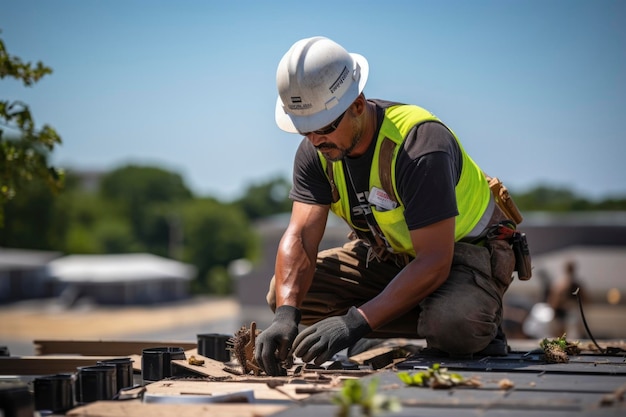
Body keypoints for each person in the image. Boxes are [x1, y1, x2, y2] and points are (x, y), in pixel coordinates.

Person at [254, 36, 523, 376]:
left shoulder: (418, 144)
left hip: (462, 257)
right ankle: (392, 323)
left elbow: (434, 261)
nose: (316, 140)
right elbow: (301, 239)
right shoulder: (317, 151)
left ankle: (477, 318)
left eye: (325, 127)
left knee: (454, 327)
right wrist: (285, 315)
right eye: (304, 131)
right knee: (286, 293)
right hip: (394, 258)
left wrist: (356, 322)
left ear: (357, 104)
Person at [548, 260, 588, 338]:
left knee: (573, 333)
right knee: (561, 334)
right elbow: (553, 302)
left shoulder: (576, 284)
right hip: (562, 314)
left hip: (572, 314)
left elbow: (586, 300)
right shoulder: (560, 284)